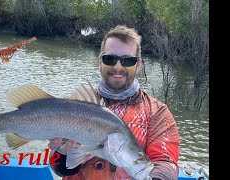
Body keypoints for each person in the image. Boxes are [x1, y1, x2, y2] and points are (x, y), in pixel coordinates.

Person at [48, 25, 180, 180]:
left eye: (127, 60)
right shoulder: (77, 105)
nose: (118, 67)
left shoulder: (157, 113)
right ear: (100, 62)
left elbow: (165, 163)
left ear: (138, 65)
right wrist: (62, 153)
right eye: (109, 59)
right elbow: (58, 168)